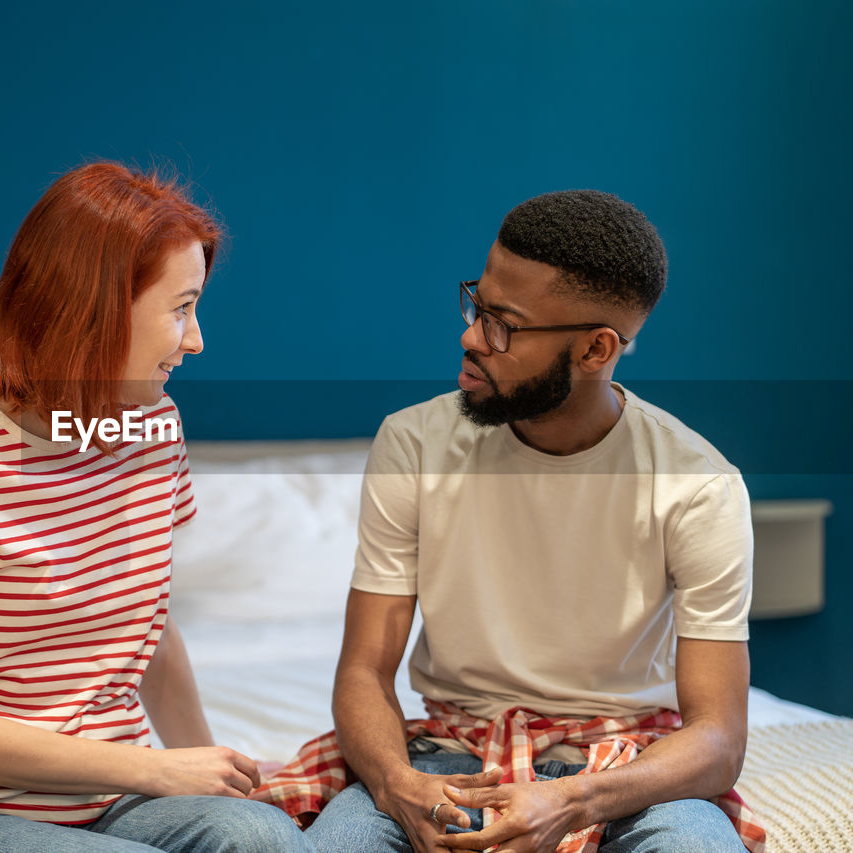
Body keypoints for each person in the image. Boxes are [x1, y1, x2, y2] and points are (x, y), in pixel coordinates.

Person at [289, 190, 764, 852]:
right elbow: (365, 670)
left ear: (597, 350)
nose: (469, 337)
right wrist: (398, 782)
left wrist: (570, 800)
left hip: (627, 765)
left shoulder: (699, 485)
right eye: (475, 305)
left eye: (502, 324)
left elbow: (718, 739)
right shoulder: (413, 443)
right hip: (444, 751)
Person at [0, 162, 314, 853]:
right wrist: (154, 768)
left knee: (266, 838)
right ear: (96, 308)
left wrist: (215, 775)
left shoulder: (149, 427)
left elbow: (151, 634)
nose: (196, 340)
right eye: (180, 308)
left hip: (110, 806)